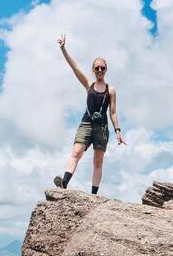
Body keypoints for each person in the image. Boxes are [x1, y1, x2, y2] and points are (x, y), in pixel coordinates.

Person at [53, 34, 125, 195]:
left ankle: (93, 194)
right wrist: (64, 48)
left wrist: (118, 131)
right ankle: (64, 183)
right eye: (97, 67)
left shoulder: (110, 89)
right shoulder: (88, 84)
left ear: (106, 70)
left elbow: (113, 112)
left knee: (97, 162)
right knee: (76, 152)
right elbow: (74, 67)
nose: (100, 70)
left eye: (102, 68)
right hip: (86, 123)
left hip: (102, 127)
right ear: (93, 70)